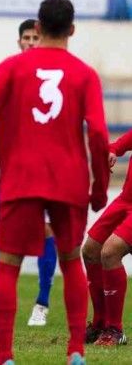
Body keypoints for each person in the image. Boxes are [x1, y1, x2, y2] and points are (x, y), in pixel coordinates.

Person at [0, 0, 110, 365]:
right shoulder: (84, 74)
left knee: (9, 265)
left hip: (21, 179)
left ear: (39, 29)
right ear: (72, 31)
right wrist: (98, 188)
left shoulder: (13, 67)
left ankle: (5, 357)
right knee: (71, 260)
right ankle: (76, 352)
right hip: (70, 180)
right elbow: (97, 132)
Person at [0, 20, 58, 326]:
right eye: (27, 37)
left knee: (48, 232)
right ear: (19, 41)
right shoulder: (11, 73)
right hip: (14, 171)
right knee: (0, 228)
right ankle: (0, 298)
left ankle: (42, 303)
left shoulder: (52, 75)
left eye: (37, 37)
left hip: (47, 169)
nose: (32, 42)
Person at [82, 129, 132, 346]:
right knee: (90, 250)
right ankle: (100, 323)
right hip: (125, 200)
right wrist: (111, 151)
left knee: (110, 252)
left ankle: (115, 330)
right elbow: (119, 144)